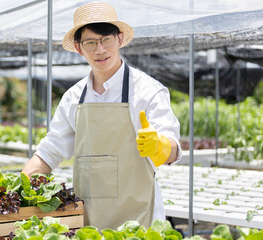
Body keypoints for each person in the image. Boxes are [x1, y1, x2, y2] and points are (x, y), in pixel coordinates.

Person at [22, 2, 182, 229]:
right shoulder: (73, 98)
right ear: (79, 48)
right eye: (91, 42)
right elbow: (50, 151)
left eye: (106, 39)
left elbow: (173, 149)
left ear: (119, 39)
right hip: (89, 222)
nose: (100, 50)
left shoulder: (147, 91)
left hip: (139, 219)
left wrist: (161, 146)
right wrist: (20, 183)